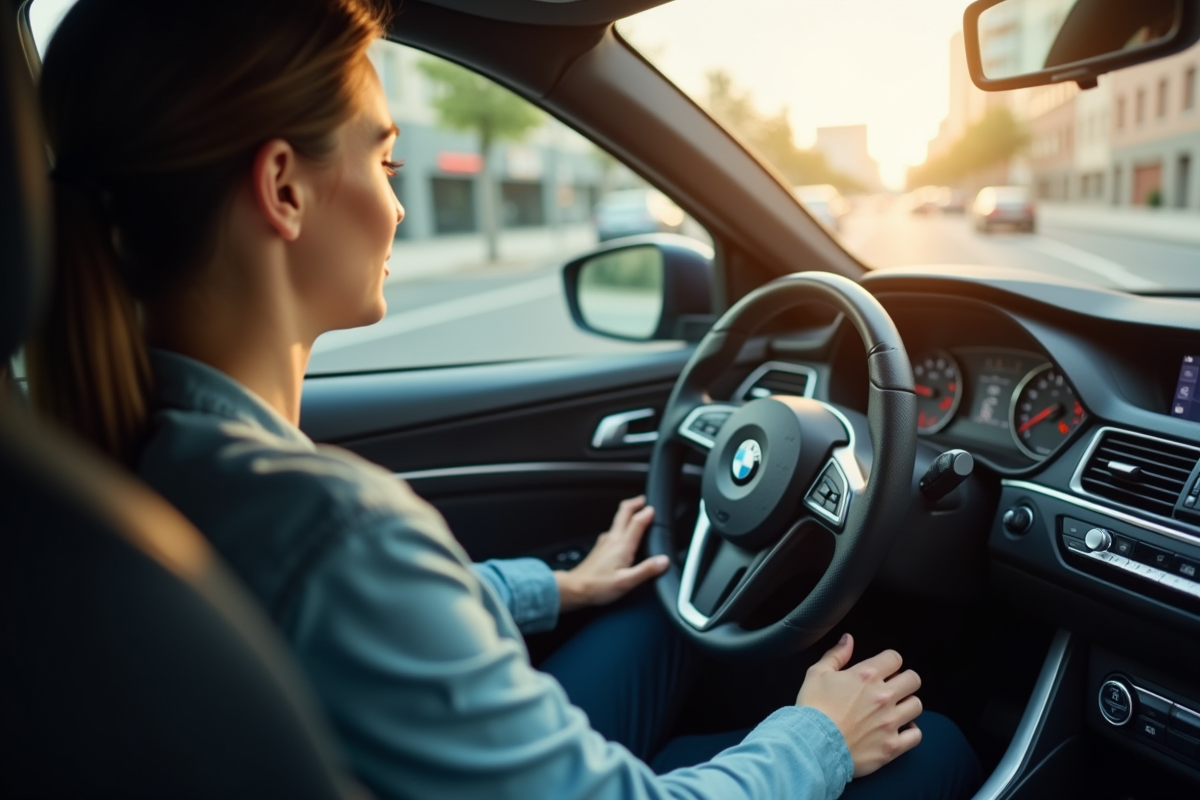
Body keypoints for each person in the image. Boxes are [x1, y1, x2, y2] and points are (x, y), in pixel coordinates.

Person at [27, 0, 982, 798]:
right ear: (283, 188)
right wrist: (816, 736)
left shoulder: (111, 447)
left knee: (656, 594)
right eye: (384, 161)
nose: (397, 205)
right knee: (935, 748)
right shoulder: (329, 529)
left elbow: (327, 627)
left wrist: (556, 586)